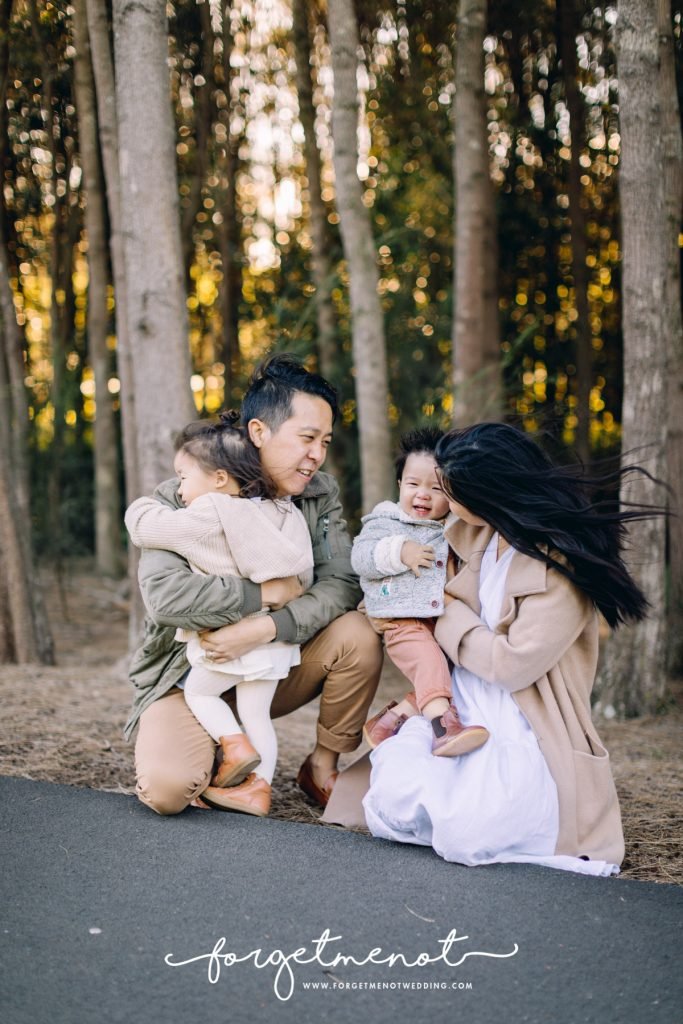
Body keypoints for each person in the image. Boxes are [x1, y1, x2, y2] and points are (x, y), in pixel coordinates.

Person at [363, 422, 659, 875]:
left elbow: (511, 664)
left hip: (526, 716)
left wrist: (437, 611)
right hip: (465, 696)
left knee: (469, 830)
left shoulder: (559, 569)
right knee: (392, 793)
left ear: (487, 494)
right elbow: (410, 579)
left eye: (449, 489)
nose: (442, 500)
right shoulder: (475, 534)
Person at [125, 355, 383, 815]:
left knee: (359, 635)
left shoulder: (318, 494)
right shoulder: (186, 493)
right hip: (189, 671)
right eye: (306, 438)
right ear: (259, 431)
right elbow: (165, 598)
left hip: (271, 662)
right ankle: (220, 751)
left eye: (324, 441)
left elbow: (341, 583)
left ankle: (320, 767)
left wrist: (266, 627)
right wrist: (259, 596)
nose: (316, 454)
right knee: (167, 791)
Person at [125, 412, 315, 817]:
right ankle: (258, 790)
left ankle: (232, 745)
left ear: (219, 480)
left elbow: (149, 531)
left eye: (183, 477)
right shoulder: (283, 511)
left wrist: (140, 507)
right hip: (273, 643)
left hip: (229, 641)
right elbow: (304, 573)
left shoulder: (211, 510)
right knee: (256, 713)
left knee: (199, 692)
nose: (178, 490)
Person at [351, 427, 489, 756]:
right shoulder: (386, 521)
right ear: (400, 485)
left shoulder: (452, 529)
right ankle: (443, 728)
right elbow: (361, 557)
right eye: (413, 484)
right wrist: (399, 552)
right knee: (429, 663)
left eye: (436, 488)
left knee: (448, 671)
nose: (423, 495)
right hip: (401, 621)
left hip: (437, 621)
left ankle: (391, 719)